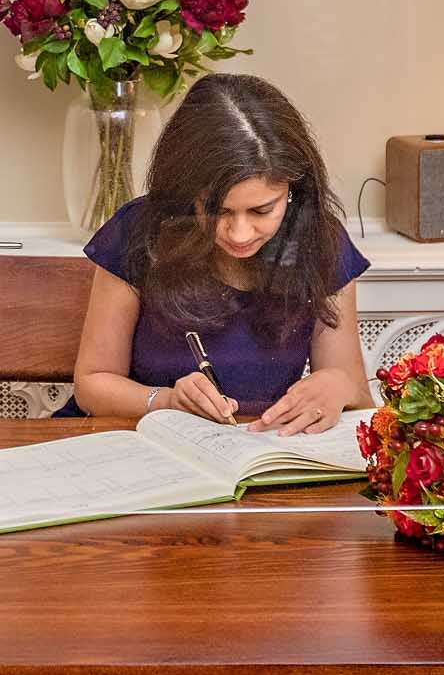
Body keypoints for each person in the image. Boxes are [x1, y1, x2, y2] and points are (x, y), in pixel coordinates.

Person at [67, 73, 373, 435]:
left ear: (293, 190)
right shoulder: (140, 232)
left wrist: (338, 386)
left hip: (259, 452)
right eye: (218, 211)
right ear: (185, 192)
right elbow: (92, 384)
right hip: (145, 445)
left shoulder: (321, 241)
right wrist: (165, 402)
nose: (240, 234)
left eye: (261, 210)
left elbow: (357, 398)